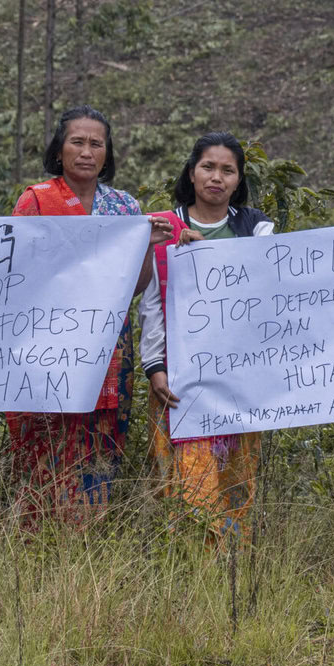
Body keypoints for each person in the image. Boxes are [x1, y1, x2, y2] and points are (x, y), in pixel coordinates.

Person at [9, 106, 172, 523]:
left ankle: (85, 539)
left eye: (95, 143)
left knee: (99, 448)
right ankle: (38, 539)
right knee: (46, 442)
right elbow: (16, 274)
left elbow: (135, 287)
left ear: (107, 152)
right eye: (76, 142)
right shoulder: (35, 201)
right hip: (47, 346)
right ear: (59, 150)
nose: (86, 151)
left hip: (108, 349)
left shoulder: (124, 207)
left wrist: (145, 247)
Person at [142, 133, 273, 540]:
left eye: (227, 170)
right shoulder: (163, 226)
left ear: (238, 179)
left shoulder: (257, 228)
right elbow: (151, 303)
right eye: (208, 167)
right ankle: (186, 568)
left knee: (235, 482)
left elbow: (269, 288)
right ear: (191, 172)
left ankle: (230, 570)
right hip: (178, 381)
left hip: (239, 380)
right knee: (185, 484)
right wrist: (155, 367)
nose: (217, 177)